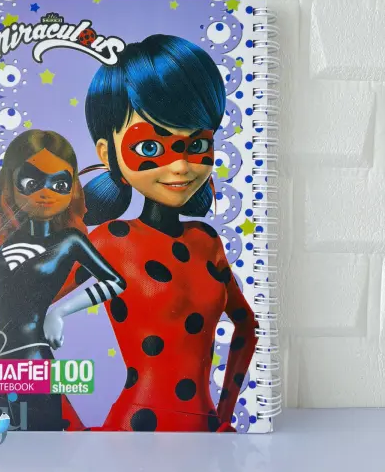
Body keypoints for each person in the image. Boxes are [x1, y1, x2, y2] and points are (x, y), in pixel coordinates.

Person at [45, 35, 258, 432]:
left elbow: (247, 326)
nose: (181, 166)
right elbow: (18, 315)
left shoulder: (207, 241)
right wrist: (70, 426)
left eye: (197, 144)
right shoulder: (111, 241)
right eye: (150, 147)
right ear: (107, 153)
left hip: (208, 433)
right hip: (132, 433)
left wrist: (226, 416)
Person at [0, 129, 125, 431]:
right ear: (11, 184)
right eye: (31, 183)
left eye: (60, 184)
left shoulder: (70, 241)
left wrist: (59, 312)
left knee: (41, 446)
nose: (46, 193)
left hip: (33, 360)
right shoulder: (10, 242)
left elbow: (115, 281)